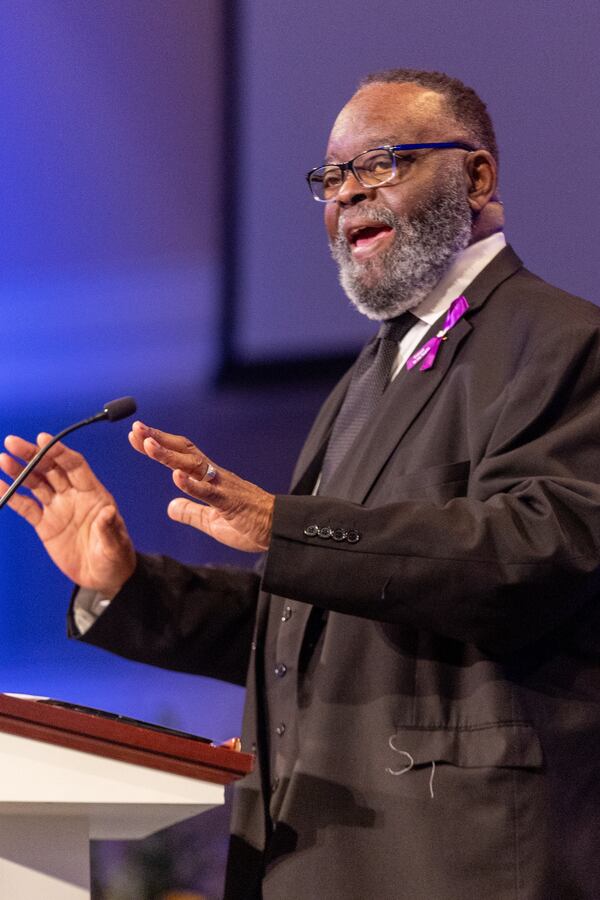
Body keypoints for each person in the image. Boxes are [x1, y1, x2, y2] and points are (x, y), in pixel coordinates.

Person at [2, 69, 600, 899]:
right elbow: (309, 628)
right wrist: (126, 587)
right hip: (312, 855)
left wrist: (282, 525)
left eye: (380, 163)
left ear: (477, 176)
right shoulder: (366, 379)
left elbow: (531, 557)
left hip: (453, 861)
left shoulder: (565, 344)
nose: (347, 195)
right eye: (331, 177)